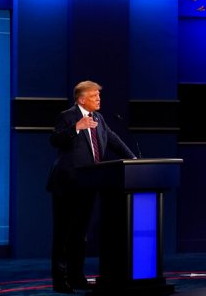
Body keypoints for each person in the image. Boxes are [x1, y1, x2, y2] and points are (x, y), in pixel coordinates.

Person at [47, 80, 136, 294]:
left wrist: (132, 159)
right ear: (81, 99)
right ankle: (61, 281)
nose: (99, 99)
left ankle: (77, 277)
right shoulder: (67, 116)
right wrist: (76, 128)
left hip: (89, 184)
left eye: (99, 95)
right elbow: (55, 139)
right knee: (64, 235)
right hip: (67, 185)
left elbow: (112, 139)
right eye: (94, 96)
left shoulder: (99, 118)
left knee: (80, 234)